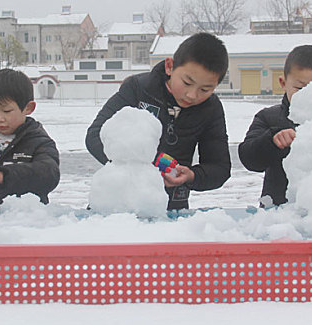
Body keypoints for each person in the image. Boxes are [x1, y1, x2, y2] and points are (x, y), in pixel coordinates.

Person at [85, 33, 231, 210]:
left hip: (172, 207)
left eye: (205, 89)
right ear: (170, 67)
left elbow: (219, 168)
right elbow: (95, 136)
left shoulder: (210, 109)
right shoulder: (138, 89)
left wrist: (191, 176)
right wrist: (144, 166)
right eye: (186, 82)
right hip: (117, 203)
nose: (192, 95)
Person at [238, 45, 312, 207]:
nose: (306, 95)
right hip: (278, 214)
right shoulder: (269, 118)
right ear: (283, 82)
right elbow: (249, 159)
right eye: (299, 88)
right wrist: (272, 141)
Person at [0, 69, 60, 208]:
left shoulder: (39, 142)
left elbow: (49, 174)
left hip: (24, 221)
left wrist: (3, 176)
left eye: (6, 111)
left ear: (28, 108)